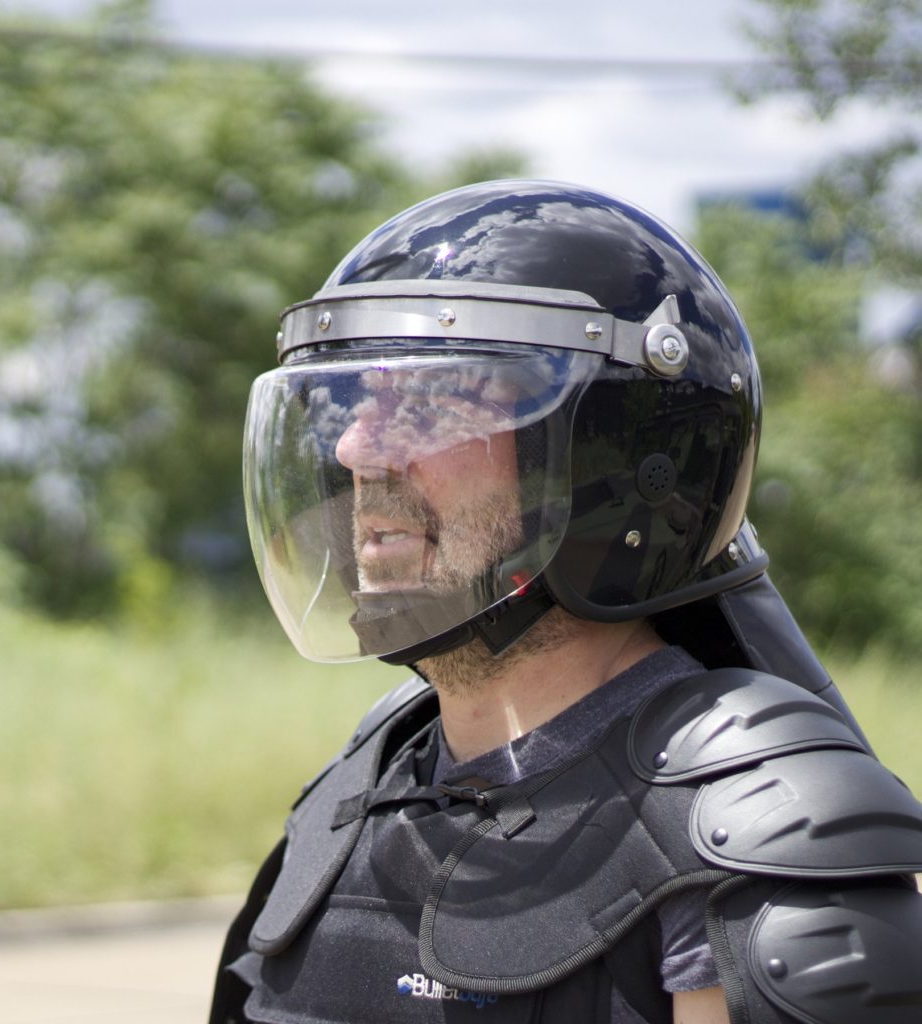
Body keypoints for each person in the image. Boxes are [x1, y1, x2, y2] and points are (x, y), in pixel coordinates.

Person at [210, 180, 922, 1024]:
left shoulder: (748, 828)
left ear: (612, 464)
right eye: (362, 403)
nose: (358, 445)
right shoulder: (357, 789)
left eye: (433, 401)